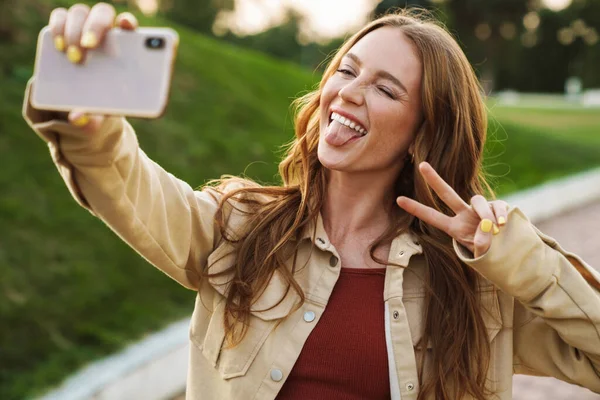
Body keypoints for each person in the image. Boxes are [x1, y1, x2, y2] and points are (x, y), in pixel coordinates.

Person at [23, 3, 600, 400]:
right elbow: (126, 187)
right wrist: (89, 127)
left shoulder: (477, 289)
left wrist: (523, 260)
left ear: (423, 132)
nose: (348, 92)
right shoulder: (239, 230)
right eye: (347, 70)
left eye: (385, 88)